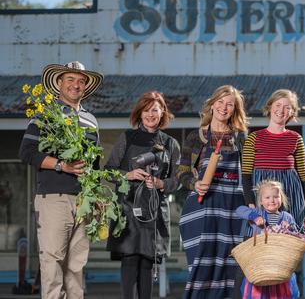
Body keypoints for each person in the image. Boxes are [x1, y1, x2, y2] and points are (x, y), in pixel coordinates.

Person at [19, 61, 104, 299]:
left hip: (83, 201)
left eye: (81, 81)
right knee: (52, 262)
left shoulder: (91, 120)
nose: (76, 85)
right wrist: (61, 165)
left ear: (85, 87)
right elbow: (26, 153)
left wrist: (96, 197)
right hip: (54, 198)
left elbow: (94, 164)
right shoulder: (45, 114)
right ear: (59, 83)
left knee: (76, 267)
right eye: (70, 80)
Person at [104, 91, 181, 299]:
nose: (150, 114)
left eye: (154, 110)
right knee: (129, 259)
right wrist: (127, 174)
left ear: (162, 112)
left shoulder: (171, 144)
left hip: (154, 211)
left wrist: (160, 183)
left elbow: (177, 181)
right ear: (140, 112)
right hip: (128, 208)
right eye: (146, 110)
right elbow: (108, 171)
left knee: (148, 261)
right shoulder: (127, 138)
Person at [177, 85, 248, 298]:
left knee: (231, 267)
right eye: (220, 102)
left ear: (235, 110)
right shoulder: (196, 137)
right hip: (203, 209)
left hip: (232, 211)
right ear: (212, 103)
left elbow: (248, 174)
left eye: (230, 105)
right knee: (202, 266)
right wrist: (194, 184)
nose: (224, 108)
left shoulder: (241, 138)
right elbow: (181, 173)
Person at [241, 89, 305, 231]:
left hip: (291, 194)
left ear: (292, 112)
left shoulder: (296, 138)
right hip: (262, 196)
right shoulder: (253, 138)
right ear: (270, 107)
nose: (281, 110)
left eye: (287, 107)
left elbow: (304, 175)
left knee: (290, 239)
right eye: (278, 105)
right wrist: (250, 202)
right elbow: (246, 175)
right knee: (262, 240)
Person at [235, 180, 300, 299]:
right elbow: (239, 210)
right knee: (261, 290)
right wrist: (254, 217)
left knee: (280, 287)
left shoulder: (287, 217)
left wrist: (289, 229)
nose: (272, 200)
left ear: (282, 198)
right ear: (260, 201)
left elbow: (296, 237)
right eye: (267, 197)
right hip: (261, 261)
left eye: (276, 196)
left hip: (279, 261)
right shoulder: (258, 213)